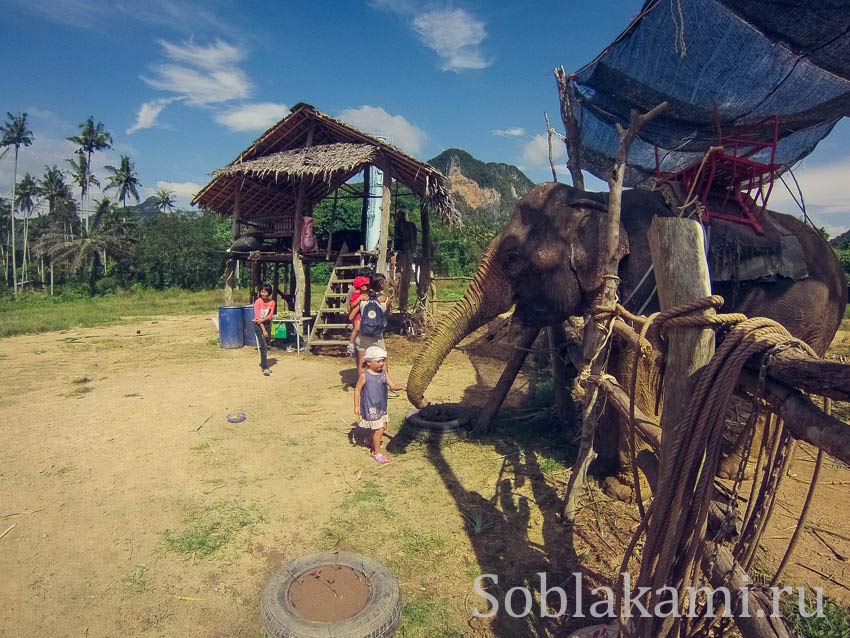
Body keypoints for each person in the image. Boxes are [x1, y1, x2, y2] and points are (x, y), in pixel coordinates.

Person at [354, 346, 406, 464]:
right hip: (370, 406)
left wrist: (403, 387)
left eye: (383, 360)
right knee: (379, 429)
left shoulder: (383, 373)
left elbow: (392, 386)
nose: (381, 363)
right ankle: (376, 453)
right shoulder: (364, 376)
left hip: (381, 405)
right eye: (378, 361)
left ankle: (369, 439)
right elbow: (357, 390)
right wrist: (356, 406)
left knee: (383, 426)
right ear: (368, 362)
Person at [348, 273, 392, 370]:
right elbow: (386, 315)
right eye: (384, 282)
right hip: (377, 336)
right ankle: (384, 383)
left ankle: (362, 384)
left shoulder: (363, 298)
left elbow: (351, 317)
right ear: (381, 284)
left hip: (362, 335)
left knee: (362, 362)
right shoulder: (386, 300)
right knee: (382, 359)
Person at [253, 283, 275, 376]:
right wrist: (264, 329)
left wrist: (264, 320)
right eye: (262, 292)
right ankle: (265, 367)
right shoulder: (258, 302)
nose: (263, 294)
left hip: (267, 324)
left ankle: (263, 363)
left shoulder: (272, 302)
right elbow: (257, 317)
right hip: (258, 325)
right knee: (264, 345)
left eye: (265, 292)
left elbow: (270, 316)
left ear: (268, 293)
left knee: (266, 344)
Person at [346, 275, 371, 357]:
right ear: (360, 286)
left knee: (360, 329)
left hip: (361, 314)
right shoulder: (355, 295)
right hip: (357, 315)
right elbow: (352, 305)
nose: (366, 287)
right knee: (357, 328)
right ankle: (351, 343)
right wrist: (359, 299)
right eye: (364, 285)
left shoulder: (362, 294)